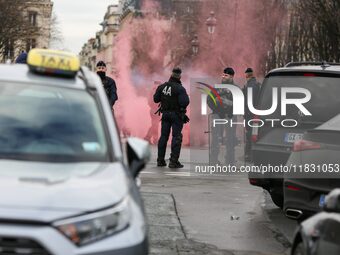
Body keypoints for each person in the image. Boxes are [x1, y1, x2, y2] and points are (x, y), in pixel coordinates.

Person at [154, 67, 190, 168]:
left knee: (163, 137)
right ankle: (173, 162)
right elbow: (185, 102)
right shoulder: (180, 88)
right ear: (179, 76)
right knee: (176, 137)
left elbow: (155, 99)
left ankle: (160, 160)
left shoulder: (162, 87)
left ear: (171, 75)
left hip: (165, 115)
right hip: (176, 116)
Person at [207, 67, 238, 165]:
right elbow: (209, 100)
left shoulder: (236, 89)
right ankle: (213, 160)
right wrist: (216, 110)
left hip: (231, 116)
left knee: (231, 139)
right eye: (223, 74)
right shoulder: (217, 87)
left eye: (226, 75)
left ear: (232, 76)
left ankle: (230, 160)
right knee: (215, 139)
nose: (223, 76)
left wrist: (231, 110)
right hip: (217, 116)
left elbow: (240, 102)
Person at [243, 68, 261, 162]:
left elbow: (247, 102)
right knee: (254, 134)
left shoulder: (249, 86)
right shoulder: (258, 85)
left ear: (246, 75)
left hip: (250, 114)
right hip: (256, 114)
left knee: (249, 134)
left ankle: (248, 155)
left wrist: (245, 113)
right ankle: (252, 155)